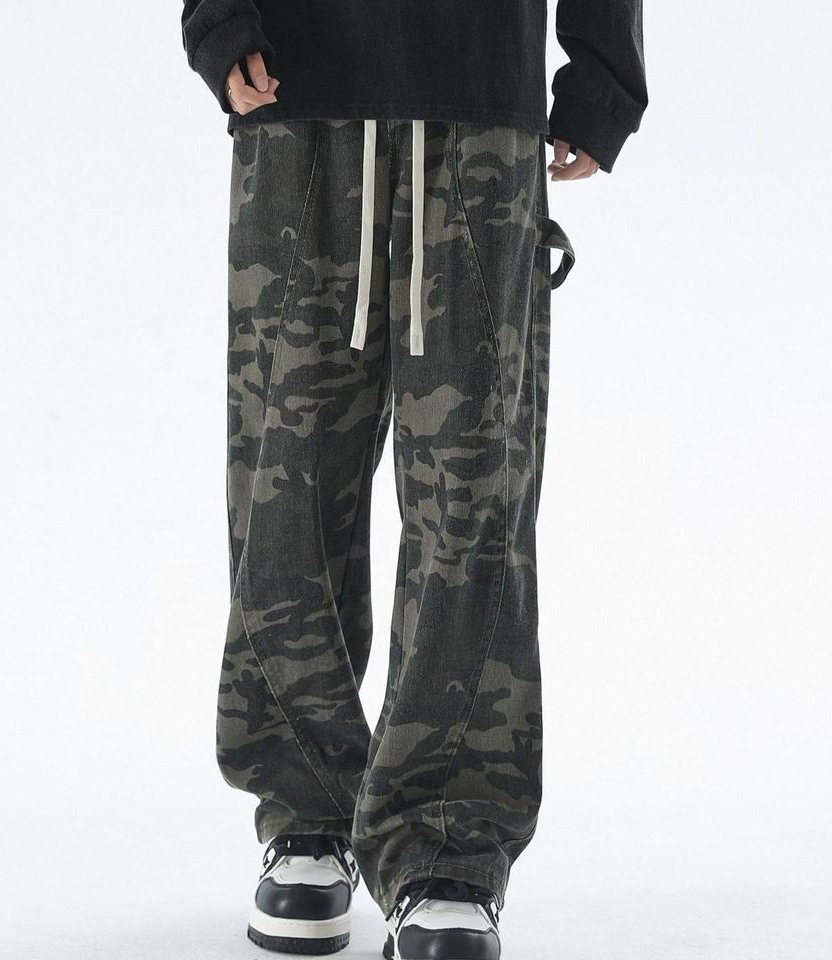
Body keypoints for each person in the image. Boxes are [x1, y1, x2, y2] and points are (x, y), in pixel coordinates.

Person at [181, 2, 647, 957]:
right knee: (286, 473)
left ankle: (448, 846)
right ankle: (304, 807)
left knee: (473, 490)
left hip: (477, 95)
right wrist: (218, 19)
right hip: (295, 87)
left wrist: (602, 75)